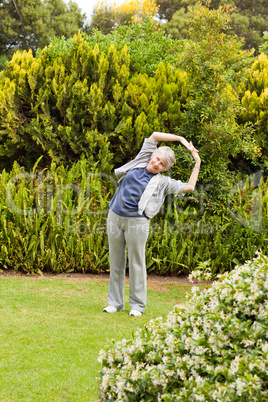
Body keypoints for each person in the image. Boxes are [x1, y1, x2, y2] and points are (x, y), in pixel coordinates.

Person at [103, 132, 201, 316]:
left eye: (161, 164)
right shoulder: (142, 159)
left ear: (164, 169)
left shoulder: (163, 182)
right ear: (152, 156)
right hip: (114, 216)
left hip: (137, 222)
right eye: (156, 159)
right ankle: (114, 303)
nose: (156, 164)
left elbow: (189, 187)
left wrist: (197, 163)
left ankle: (137, 306)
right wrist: (181, 139)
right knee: (115, 262)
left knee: (136, 263)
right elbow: (155, 135)